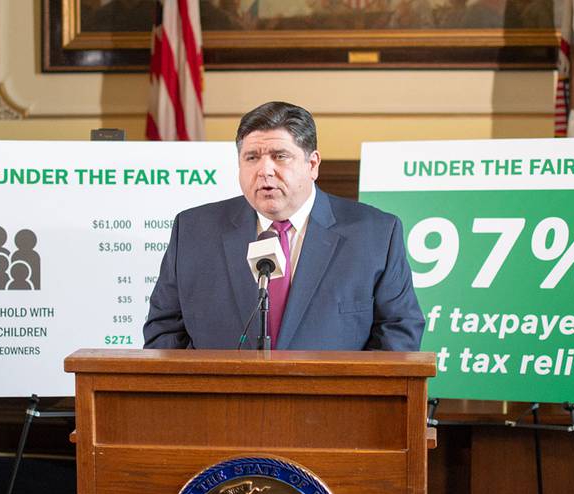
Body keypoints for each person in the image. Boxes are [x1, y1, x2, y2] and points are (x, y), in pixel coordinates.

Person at [143, 101, 424, 351]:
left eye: (280, 156)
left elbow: (399, 333)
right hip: (220, 406)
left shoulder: (375, 234)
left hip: (332, 407)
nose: (265, 170)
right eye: (252, 157)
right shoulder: (193, 230)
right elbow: (164, 330)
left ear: (312, 164)